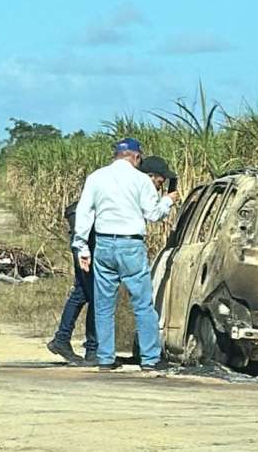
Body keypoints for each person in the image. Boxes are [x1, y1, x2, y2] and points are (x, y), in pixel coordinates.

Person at [72, 138, 179, 371]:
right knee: (142, 303)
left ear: (117, 155)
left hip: (103, 243)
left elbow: (84, 212)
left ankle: (106, 358)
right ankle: (150, 359)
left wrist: (82, 246)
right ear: (136, 157)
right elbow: (152, 214)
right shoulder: (141, 180)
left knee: (103, 304)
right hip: (130, 244)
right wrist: (167, 202)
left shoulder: (96, 177)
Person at [47, 201, 97, 364]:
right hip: (86, 246)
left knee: (81, 293)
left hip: (81, 244)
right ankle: (92, 349)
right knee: (96, 297)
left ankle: (62, 339)